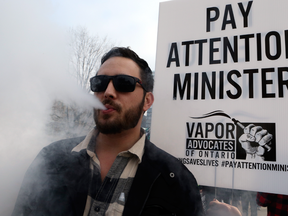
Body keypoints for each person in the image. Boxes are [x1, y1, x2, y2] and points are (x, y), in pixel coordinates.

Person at [12, 47, 241, 216]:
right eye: (100, 83)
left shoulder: (177, 181)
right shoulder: (50, 159)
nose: (108, 92)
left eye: (124, 83)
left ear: (147, 101)